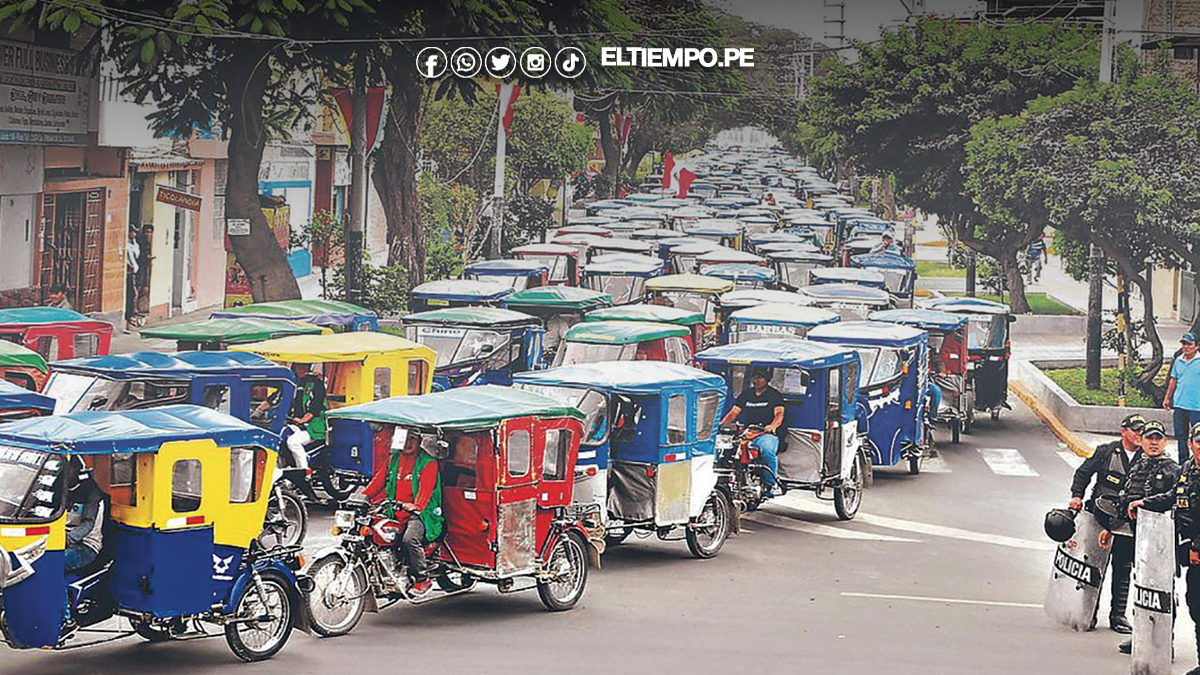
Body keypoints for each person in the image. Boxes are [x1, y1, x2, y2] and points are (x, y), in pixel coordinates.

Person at [1068, 413, 1145, 634]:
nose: (1139, 434)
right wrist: (1076, 495)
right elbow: (1083, 473)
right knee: (1093, 567)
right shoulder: (1106, 452)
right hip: (1098, 519)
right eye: (1135, 429)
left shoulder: (1146, 457)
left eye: (1142, 430)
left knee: (1123, 568)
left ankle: (1118, 615)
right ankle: (1088, 612)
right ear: (1123, 431)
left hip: (1126, 523)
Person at [1112, 420, 1179, 655]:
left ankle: (1164, 643)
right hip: (1136, 534)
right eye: (1149, 438)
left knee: (1162, 590)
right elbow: (1125, 497)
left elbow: (1175, 503)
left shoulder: (1172, 470)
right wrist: (1110, 526)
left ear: (1165, 442)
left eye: (1158, 438)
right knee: (1140, 586)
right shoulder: (1138, 465)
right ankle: (1141, 635)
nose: (1153, 443)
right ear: (1141, 441)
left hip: (1160, 539)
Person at [362, 429, 444, 598]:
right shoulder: (394, 459)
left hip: (422, 513)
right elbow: (379, 481)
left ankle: (423, 579)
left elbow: (426, 490)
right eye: (404, 439)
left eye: (412, 439)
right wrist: (361, 498)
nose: (407, 443)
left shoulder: (428, 463)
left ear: (419, 440)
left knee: (410, 539)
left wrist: (416, 506)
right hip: (395, 510)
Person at [719, 368, 785, 498]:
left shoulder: (774, 395)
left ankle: (771, 485)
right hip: (748, 432)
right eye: (755, 377)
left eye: (760, 377)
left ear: (767, 380)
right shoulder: (746, 394)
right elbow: (733, 413)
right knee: (725, 450)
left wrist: (772, 426)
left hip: (766, 434)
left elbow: (779, 414)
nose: (757, 380)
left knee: (767, 450)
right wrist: (720, 426)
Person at [62, 458, 105, 633]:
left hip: (85, 546)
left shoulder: (90, 492)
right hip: (61, 540)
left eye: (66, 469)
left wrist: (68, 539)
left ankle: (66, 620)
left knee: (51, 566)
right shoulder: (59, 490)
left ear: (76, 470)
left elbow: (87, 524)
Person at [1174, 423, 1200, 675]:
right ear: (1190, 444)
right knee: (1195, 605)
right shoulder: (1187, 470)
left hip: (1197, 551)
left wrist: (1197, 547)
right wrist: (1144, 502)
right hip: (1192, 555)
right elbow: (1173, 496)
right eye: (1199, 441)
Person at [284, 363, 327, 470]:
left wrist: (302, 420)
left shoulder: (316, 384)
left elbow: (316, 407)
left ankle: (303, 471)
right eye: (299, 366)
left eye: (303, 366)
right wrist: (258, 412)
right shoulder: (295, 383)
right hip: (297, 425)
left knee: (293, 442)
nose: (301, 369)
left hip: (314, 427)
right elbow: (278, 399)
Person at [1165, 332, 1200, 461]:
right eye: (1184, 344)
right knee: (1181, 437)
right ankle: (1183, 464)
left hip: (1197, 407)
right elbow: (1173, 380)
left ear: (1196, 346)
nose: (1186, 347)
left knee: (1198, 437)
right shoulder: (1178, 360)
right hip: (1180, 405)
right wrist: (1167, 398)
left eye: (1189, 344)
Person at [125, 227, 140, 327]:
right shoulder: (125, 244)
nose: (134, 234)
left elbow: (137, 255)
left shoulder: (134, 244)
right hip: (128, 271)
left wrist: (134, 243)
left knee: (134, 294)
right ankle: (129, 316)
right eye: (132, 232)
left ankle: (132, 314)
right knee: (131, 293)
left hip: (134, 270)